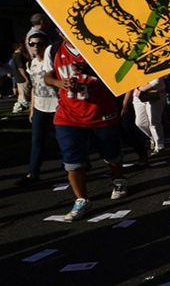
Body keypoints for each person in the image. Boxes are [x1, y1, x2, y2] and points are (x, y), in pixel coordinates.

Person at [44, 31, 127, 221]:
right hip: (68, 114)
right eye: (61, 30)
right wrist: (58, 82)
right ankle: (81, 199)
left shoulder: (97, 44)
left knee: (111, 154)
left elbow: (119, 75)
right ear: (57, 31)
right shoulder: (53, 50)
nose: (67, 33)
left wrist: (91, 71)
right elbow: (47, 76)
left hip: (101, 112)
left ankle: (119, 179)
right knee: (72, 161)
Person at [14, 32, 59, 185]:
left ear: (46, 46)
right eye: (32, 44)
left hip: (56, 107)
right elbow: (33, 87)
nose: (35, 47)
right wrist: (32, 109)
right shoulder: (31, 63)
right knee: (37, 141)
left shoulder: (52, 62)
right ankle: (33, 172)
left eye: (39, 44)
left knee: (63, 139)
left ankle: (76, 165)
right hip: (40, 107)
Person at [132, 78, 166, 155]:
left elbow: (158, 80)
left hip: (156, 93)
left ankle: (159, 145)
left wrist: (143, 88)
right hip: (138, 94)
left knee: (154, 121)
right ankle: (153, 138)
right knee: (140, 123)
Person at [11, 42, 31, 113]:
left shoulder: (14, 55)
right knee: (25, 94)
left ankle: (19, 107)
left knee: (21, 94)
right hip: (22, 78)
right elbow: (20, 68)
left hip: (18, 78)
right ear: (18, 47)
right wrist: (26, 78)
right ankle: (24, 107)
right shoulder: (19, 56)